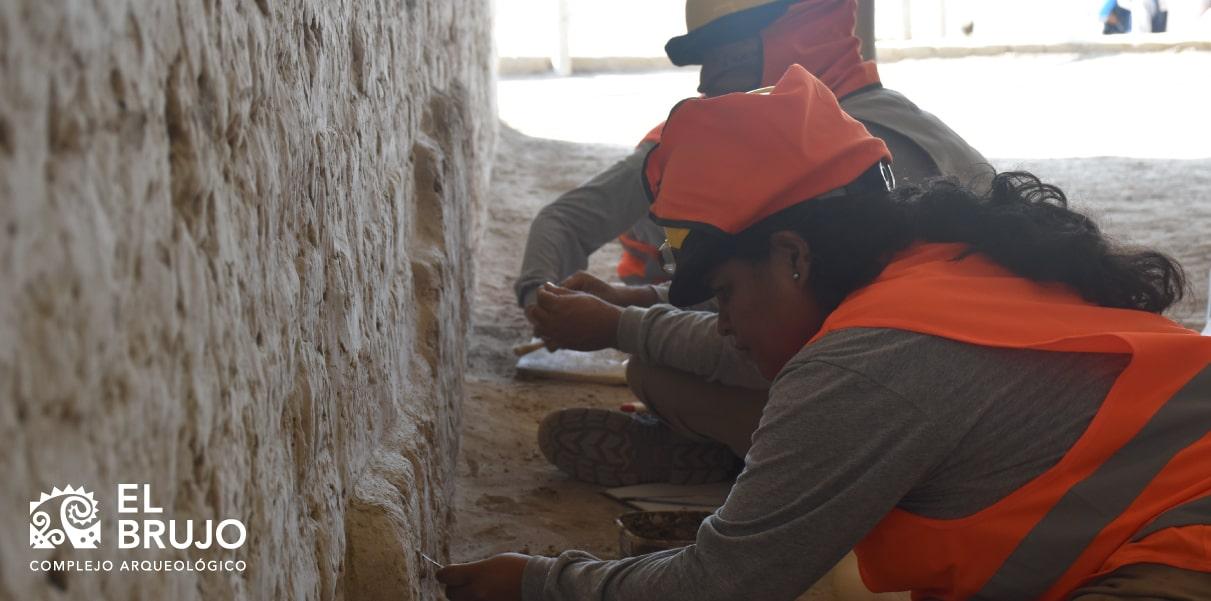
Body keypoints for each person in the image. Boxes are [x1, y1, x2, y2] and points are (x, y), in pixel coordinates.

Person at [439, 64, 1211, 601]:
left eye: (726, 295)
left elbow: (723, 584)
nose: (725, 323)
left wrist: (539, 581)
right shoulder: (939, 257)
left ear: (794, 256)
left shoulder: (863, 361)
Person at [526, 0, 989, 488]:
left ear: (792, 37)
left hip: (933, 427)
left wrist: (621, 325)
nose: (706, 82)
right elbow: (771, 291)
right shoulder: (871, 125)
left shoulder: (843, 161)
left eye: (722, 55)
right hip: (943, 384)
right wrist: (640, 300)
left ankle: (749, 463)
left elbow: (799, 342)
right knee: (664, 358)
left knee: (656, 370)